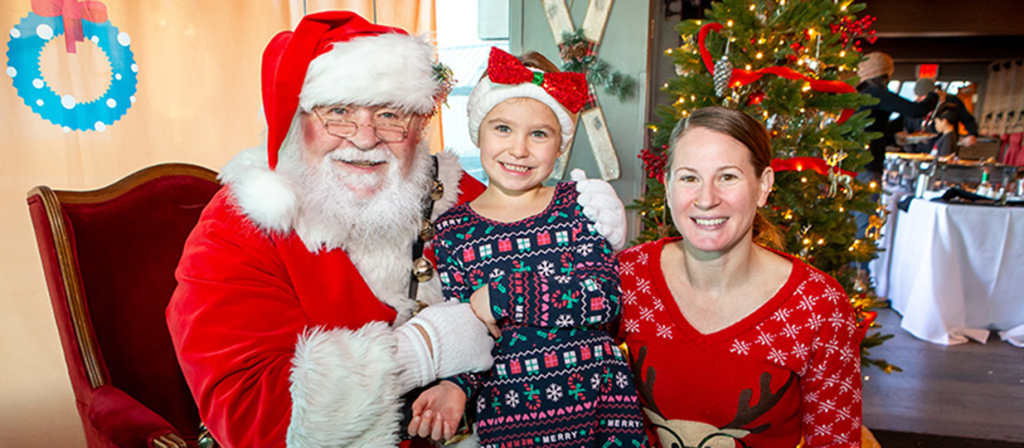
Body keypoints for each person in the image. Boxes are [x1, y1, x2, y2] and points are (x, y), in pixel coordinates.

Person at [165, 12, 626, 447]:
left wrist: (588, 220)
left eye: (390, 114)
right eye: (338, 111)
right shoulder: (241, 223)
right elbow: (247, 414)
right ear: (297, 118)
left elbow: (559, 289)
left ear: (420, 124)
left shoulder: (454, 195)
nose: (365, 138)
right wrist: (417, 353)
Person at [406, 48, 648, 447]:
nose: (519, 149)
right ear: (477, 132)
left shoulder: (578, 204)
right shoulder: (452, 230)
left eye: (539, 134)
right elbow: (473, 334)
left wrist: (506, 294)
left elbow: (603, 300)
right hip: (513, 424)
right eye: (502, 129)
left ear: (560, 146)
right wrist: (457, 386)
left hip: (603, 418)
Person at [616, 107, 862, 448]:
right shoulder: (628, 275)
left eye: (727, 177)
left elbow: (835, 440)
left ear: (763, 186)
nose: (706, 199)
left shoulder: (817, 304)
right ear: (668, 186)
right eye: (689, 177)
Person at [856, 52, 937, 177]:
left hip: (856, 161)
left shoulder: (861, 93)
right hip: (868, 164)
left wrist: (893, 138)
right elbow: (918, 110)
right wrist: (934, 95)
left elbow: (871, 131)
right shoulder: (877, 94)